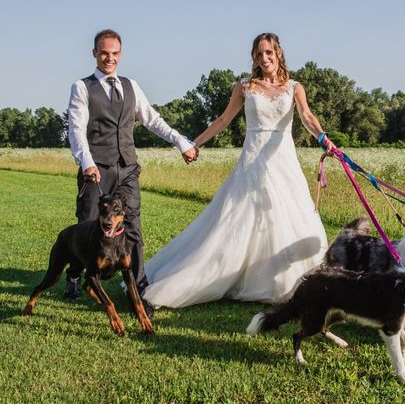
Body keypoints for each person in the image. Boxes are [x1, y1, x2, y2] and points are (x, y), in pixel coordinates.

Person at [142, 32, 336, 308]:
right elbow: (223, 120)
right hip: (252, 160)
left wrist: (323, 138)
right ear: (254, 57)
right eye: (259, 53)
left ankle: (280, 281)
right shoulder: (245, 87)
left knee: (284, 217)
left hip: (283, 162)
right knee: (237, 220)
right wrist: (194, 143)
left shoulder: (295, 87)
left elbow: (306, 116)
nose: (265, 58)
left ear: (278, 53)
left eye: (269, 52)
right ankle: (212, 275)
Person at [67, 29, 198, 318]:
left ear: (120, 54)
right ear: (94, 54)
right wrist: (86, 162)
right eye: (104, 52)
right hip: (96, 170)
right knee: (88, 226)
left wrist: (180, 142)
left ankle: (137, 289)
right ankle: (76, 275)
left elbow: (153, 120)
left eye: (114, 53)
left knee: (132, 228)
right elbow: (76, 130)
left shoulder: (131, 86)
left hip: (127, 169)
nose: (109, 58)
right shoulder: (81, 87)